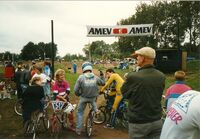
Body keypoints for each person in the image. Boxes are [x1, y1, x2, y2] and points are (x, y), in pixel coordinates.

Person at [121, 47, 166, 139]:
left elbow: (125, 94)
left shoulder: (133, 76)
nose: (136, 58)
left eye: (138, 56)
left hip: (139, 122)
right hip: (157, 120)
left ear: (143, 58)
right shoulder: (161, 76)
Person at [74, 61, 105, 135]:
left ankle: (78, 130)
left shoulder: (81, 77)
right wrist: (102, 76)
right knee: (93, 107)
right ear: (90, 68)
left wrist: (78, 94)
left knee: (80, 112)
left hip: (83, 98)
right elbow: (103, 83)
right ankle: (93, 117)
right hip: (93, 98)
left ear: (83, 68)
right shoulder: (95, 77)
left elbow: (75, 90)